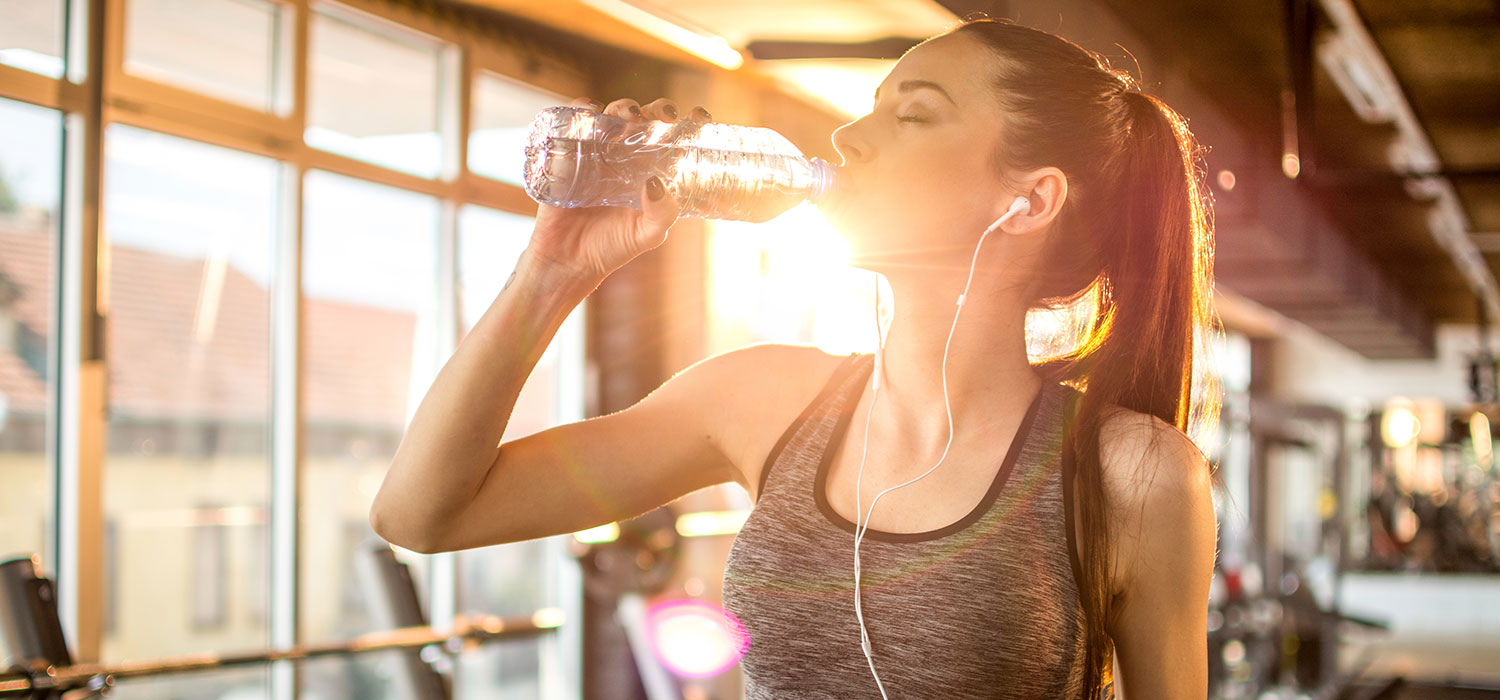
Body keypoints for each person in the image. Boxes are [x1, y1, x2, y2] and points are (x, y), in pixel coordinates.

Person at [370, 17, 1220, 699]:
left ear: (1028, 200)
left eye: (912, 113)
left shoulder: (1133, 475)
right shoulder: (761, 398)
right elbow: (425, 515)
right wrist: (553, 273)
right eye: (870, 105)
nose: (849, 136)